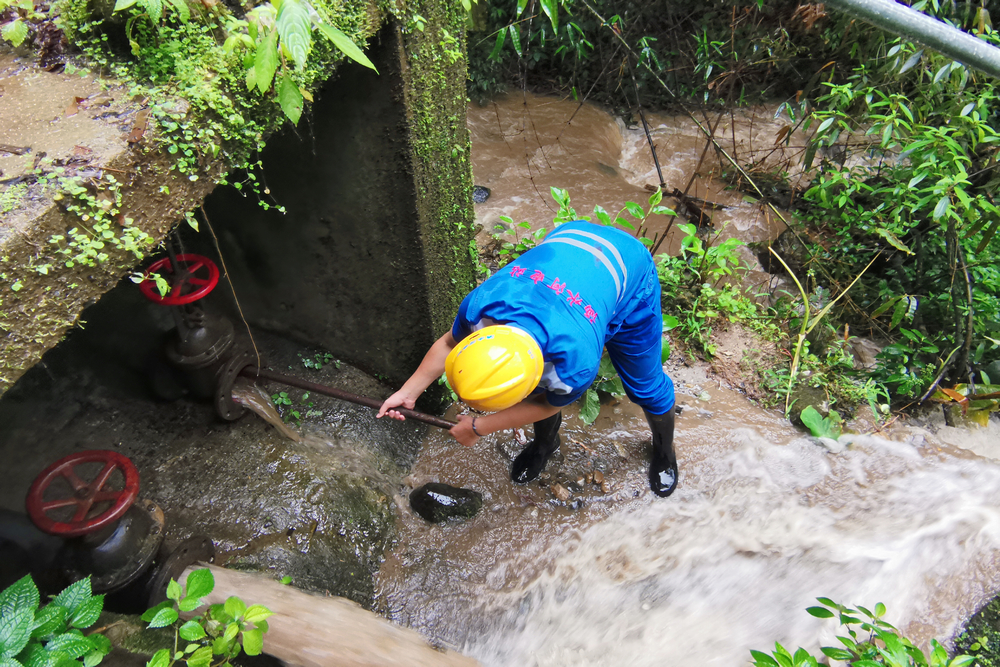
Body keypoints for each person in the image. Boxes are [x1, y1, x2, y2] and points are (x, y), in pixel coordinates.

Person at [376, 220, 679, 497]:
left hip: (629, 268)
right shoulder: (481, 309)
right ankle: (546, 444)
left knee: (645, 386)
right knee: (538, 382)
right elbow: (448, 343)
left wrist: (481, 427)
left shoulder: (574, 364)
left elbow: (546, 402)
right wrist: (408, 391)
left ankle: (665, 451)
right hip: (568, 241)